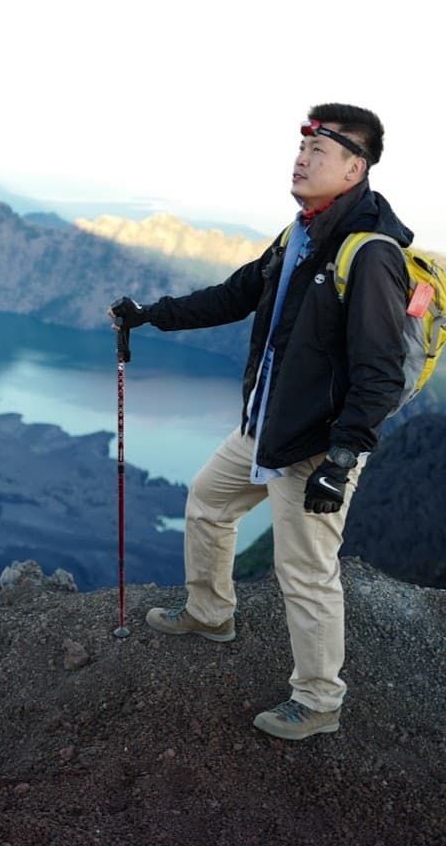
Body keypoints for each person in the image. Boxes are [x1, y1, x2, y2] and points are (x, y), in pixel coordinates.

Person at [109, 103, 411, 741]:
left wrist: (341, 460)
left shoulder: (371, 255)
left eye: (319, 152)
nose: (302, 159)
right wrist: (149, 314)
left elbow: (379, 372)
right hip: (266, 424)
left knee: (305, 572)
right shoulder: (299, 234)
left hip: (313, 445)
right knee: (209, 502)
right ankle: (211, 612)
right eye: (301, 149)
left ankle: (319, 701)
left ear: (355, 167)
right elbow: (235, 294)